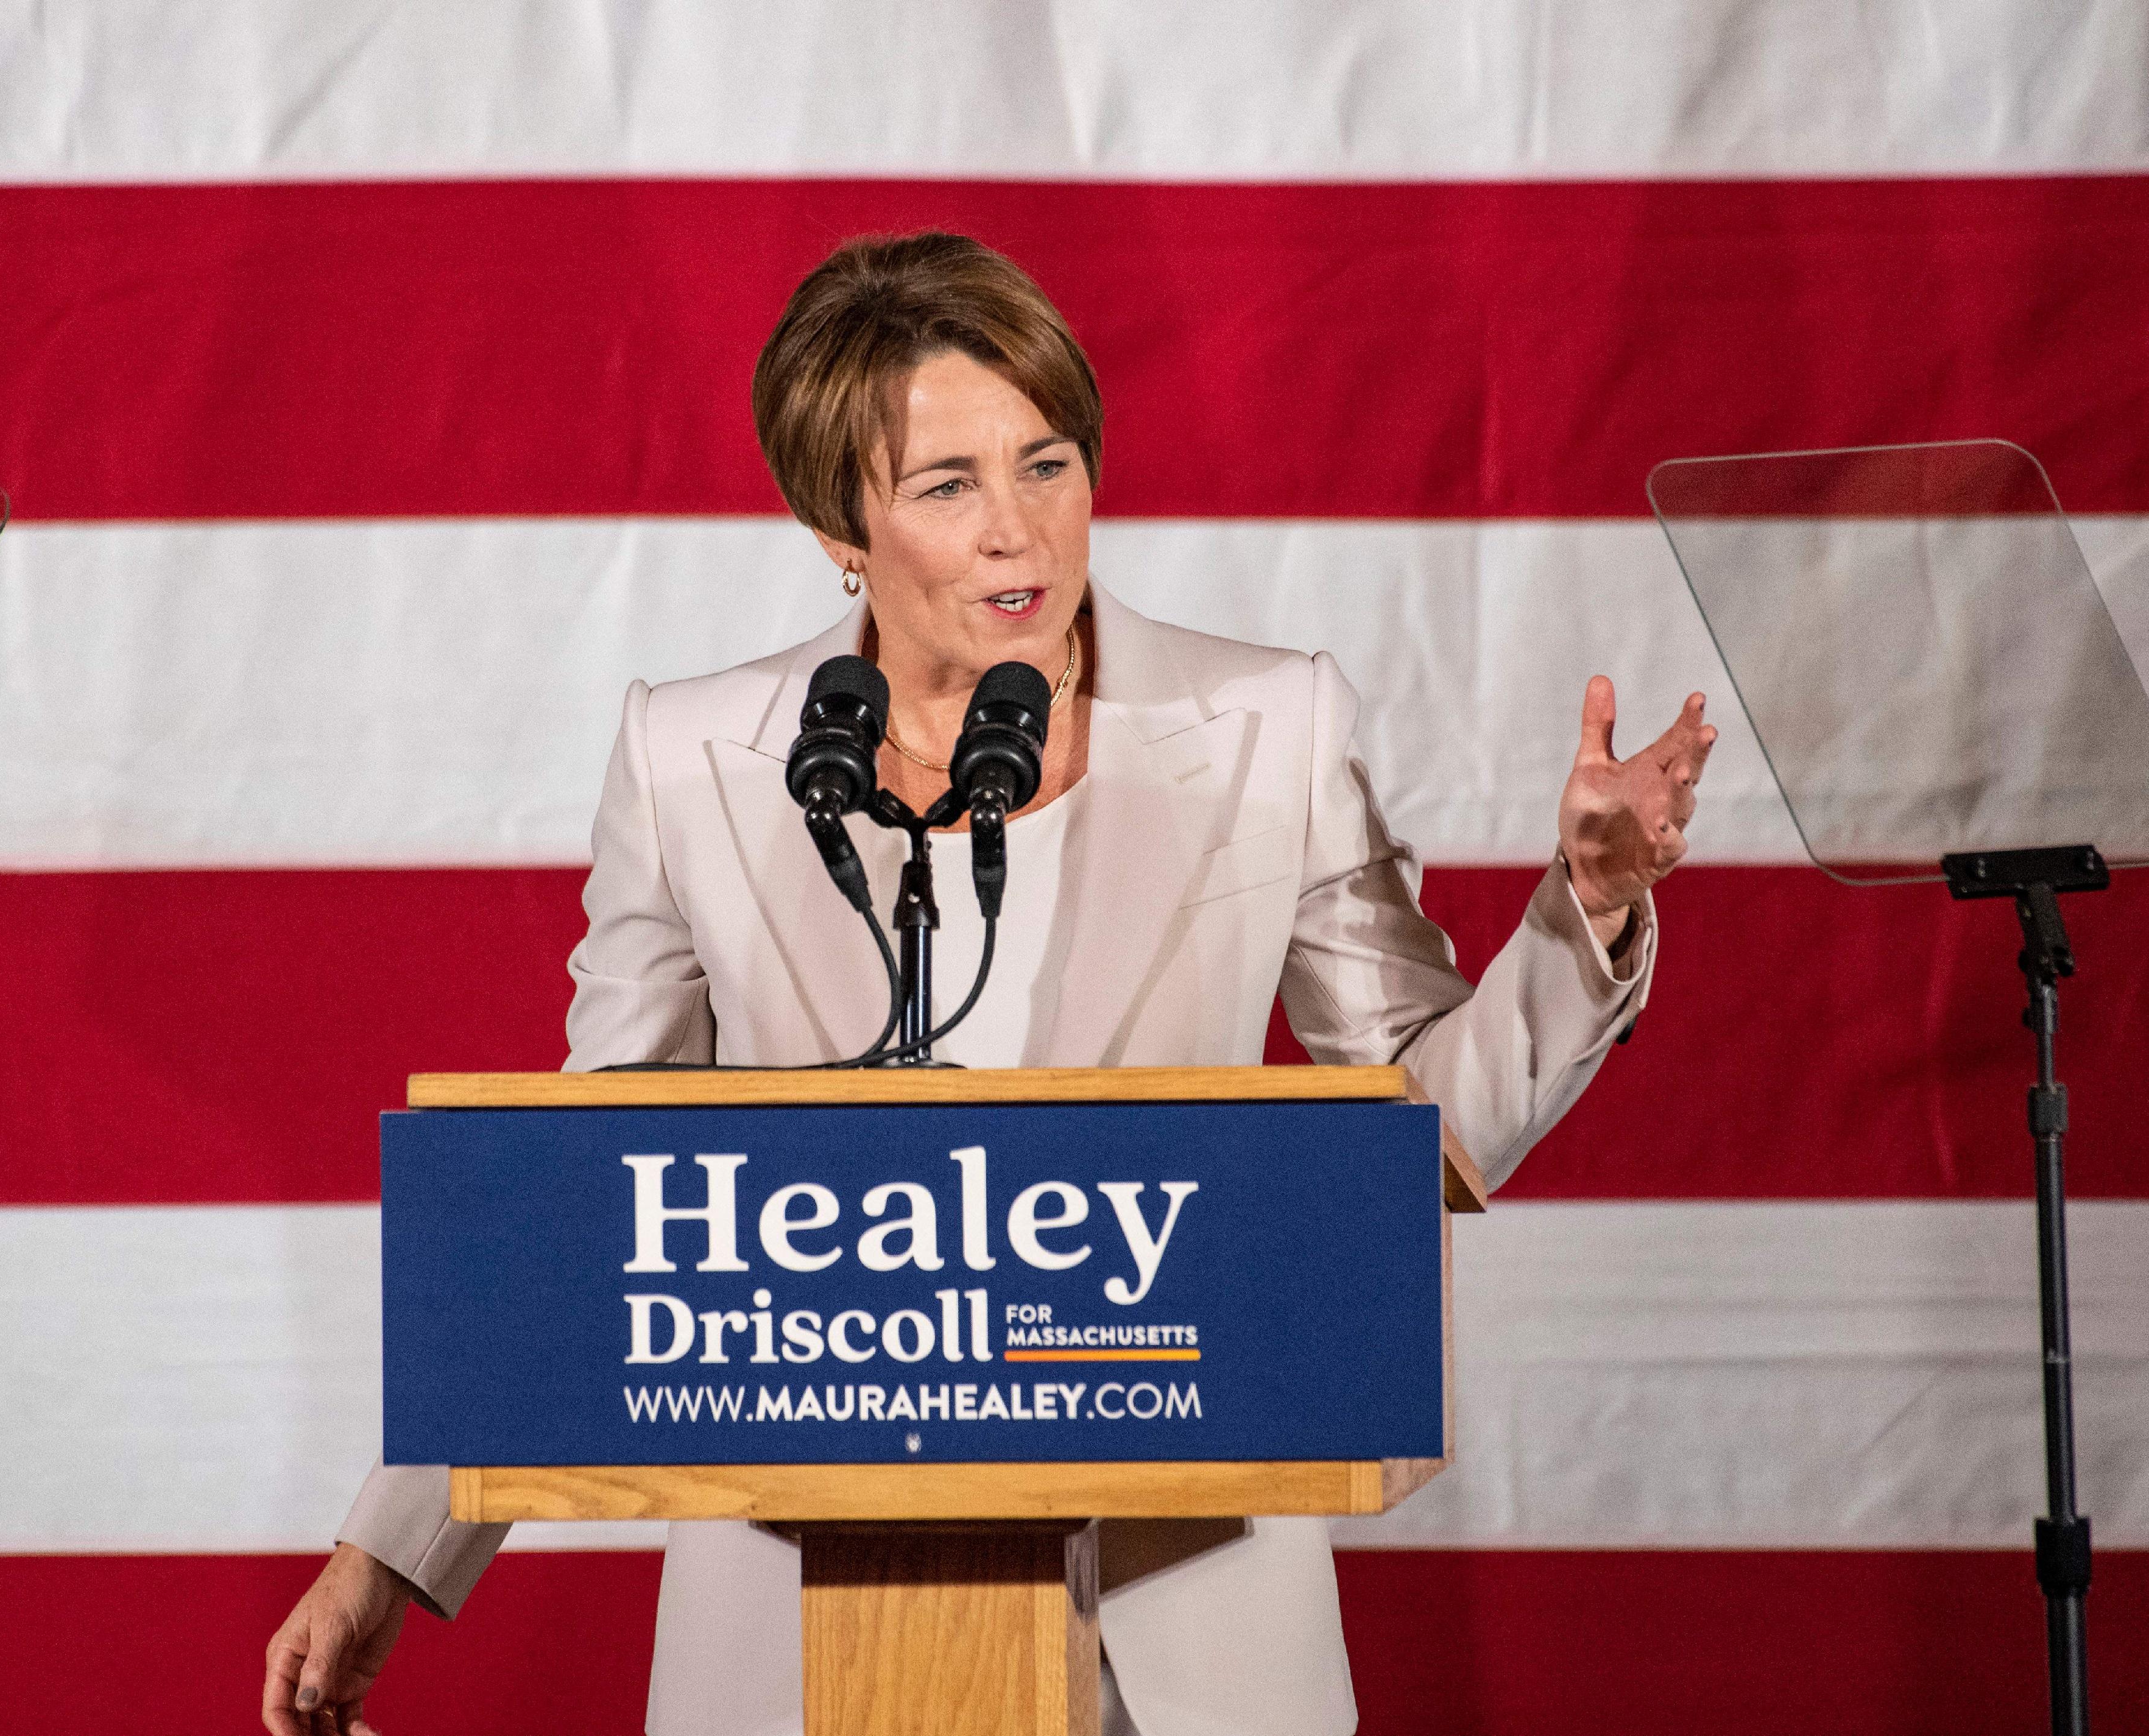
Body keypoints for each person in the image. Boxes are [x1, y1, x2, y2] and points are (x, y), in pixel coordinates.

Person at [263, 231, 1714, 1736]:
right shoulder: (693, 761)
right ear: (841, 523)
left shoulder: (1264, 725)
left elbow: (1415, 1123)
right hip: (802, 1620)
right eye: (948, 486)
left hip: (1187, 1618)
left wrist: (1584, 907)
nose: (1019, 530)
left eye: (1048, 462)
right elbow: (594, 1206)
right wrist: (390, 1553)